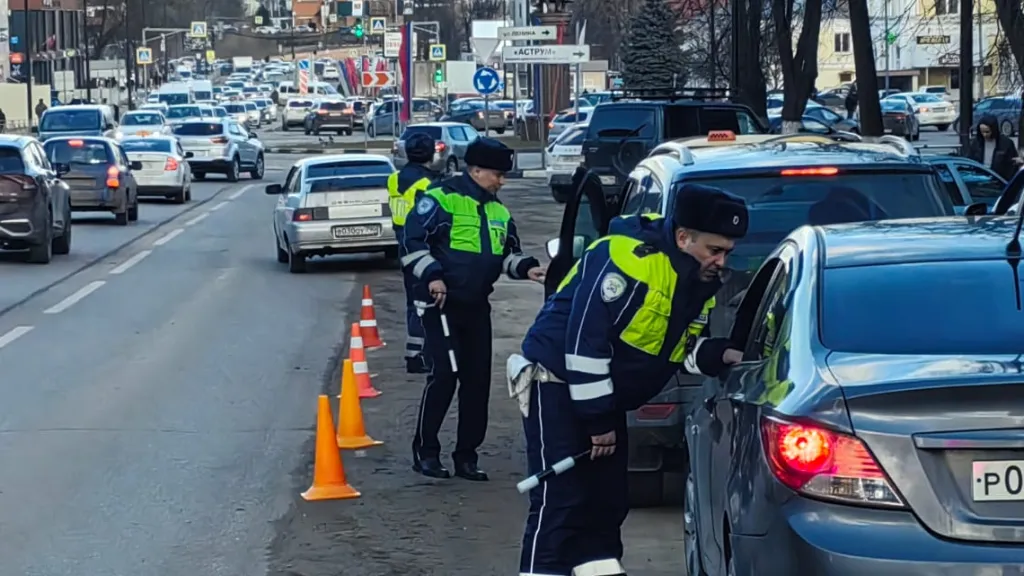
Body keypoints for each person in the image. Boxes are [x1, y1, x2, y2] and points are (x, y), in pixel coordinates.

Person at [510, 184, 748, 576]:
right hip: (556, 383)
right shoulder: (626, 260)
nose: (721, 261)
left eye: (727, 252)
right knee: (560, 502)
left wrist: (718, 354)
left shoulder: (696, 281)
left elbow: (676, 348)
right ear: (683, 238)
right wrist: (600, 422)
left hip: (604, 398)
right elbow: (585, 346)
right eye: (714, 250)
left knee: (606, 504)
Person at [401, 137, 546, 481]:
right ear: (476, 170)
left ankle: (466, 457)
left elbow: (507, 254)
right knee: (444, 378)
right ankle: (426, 453)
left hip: (477, 308)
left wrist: (528, 269)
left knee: (477, 383)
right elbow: (411, 243)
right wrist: (434, 277)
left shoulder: (499, 211)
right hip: (441, 305)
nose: (502, 181)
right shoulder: (440, 198)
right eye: (498, 174)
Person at [388, 132, 442, 374]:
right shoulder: (428, 185)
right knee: (426, 303)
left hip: (403, 246)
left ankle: (415, 353)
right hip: (424, 247)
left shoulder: (393, 179)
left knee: (414, 302)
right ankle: (422, 356)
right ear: (431, 154)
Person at [967, 114, 1023, 181]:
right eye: (982, 132)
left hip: (999, 179)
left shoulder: (1006, 143)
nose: (984, 134)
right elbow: (970, 159)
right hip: (979, 177)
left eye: (987, 132)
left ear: (993, 130)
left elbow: (1012, 164)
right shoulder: (977, 142)